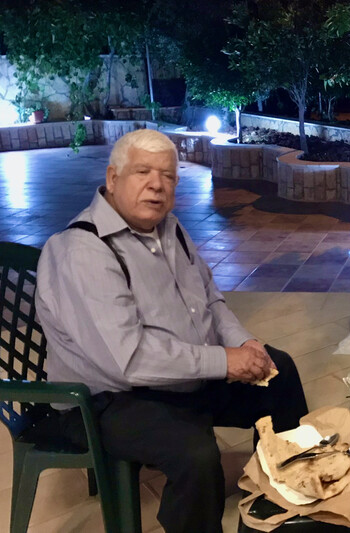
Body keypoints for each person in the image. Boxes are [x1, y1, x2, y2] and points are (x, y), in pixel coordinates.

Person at [35, 129, 309, 533]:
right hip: (107, 399)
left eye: (168, 176)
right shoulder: (83, 252)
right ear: (113, 179)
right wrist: (222, 362)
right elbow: (128, 361)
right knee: (195, 454)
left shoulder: (170, 228)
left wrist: (243, 343)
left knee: (277, 371)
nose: (157, 185)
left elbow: (211, 301)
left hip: (181, 375)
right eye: (142, 172)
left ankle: (285, 501)